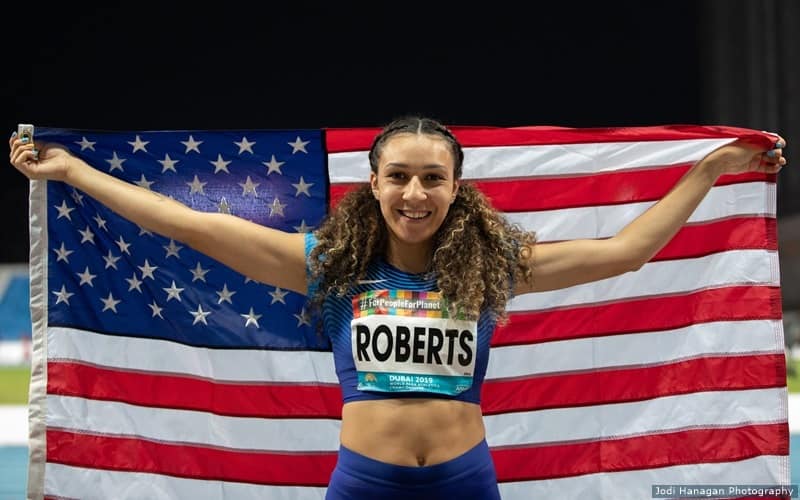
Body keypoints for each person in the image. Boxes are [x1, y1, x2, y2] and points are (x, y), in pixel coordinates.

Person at [8, 116, 788, 499]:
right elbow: (185, 223)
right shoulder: (329, 267)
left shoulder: (493, 269)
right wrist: (73, 172)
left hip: (464, 478)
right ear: (373, 184)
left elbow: (626, 252)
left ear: (457, 187)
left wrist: (712, 168)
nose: (415, 194)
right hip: (364, 481)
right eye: (399, 177)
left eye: (433, 179)